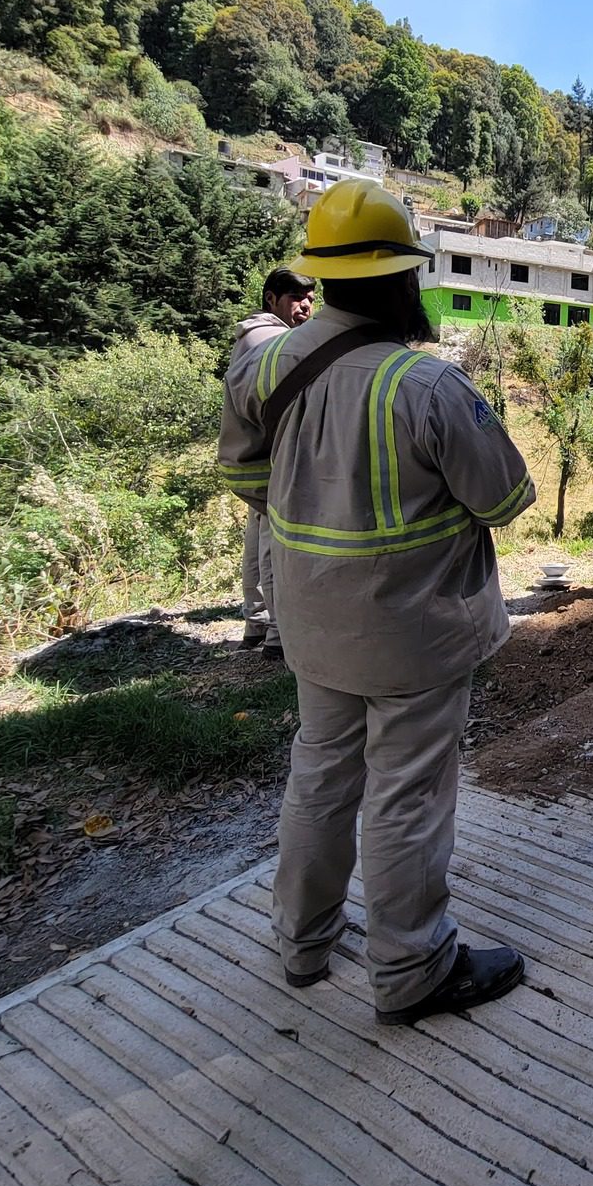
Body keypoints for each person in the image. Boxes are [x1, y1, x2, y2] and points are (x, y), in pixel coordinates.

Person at [218, 179, 535, 1026]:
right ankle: (411, 968)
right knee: (407, 794)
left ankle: (302, 943)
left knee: (319, 774)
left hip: (312, 625)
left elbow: (247, 476)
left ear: (321, 277)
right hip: (415, 638)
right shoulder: (426, 388)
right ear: (400, 280)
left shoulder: (263, 365)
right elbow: (506, 499)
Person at [226, 268, 316, 656]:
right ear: (271, 299)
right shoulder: (271, 340)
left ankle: (257, 625)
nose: (306, 305)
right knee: (272, 547)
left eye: (311, 297)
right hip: (269, 460)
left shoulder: (254, 335)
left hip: (252, 458)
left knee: (256, 542)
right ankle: (279, 638)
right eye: (296, 297)